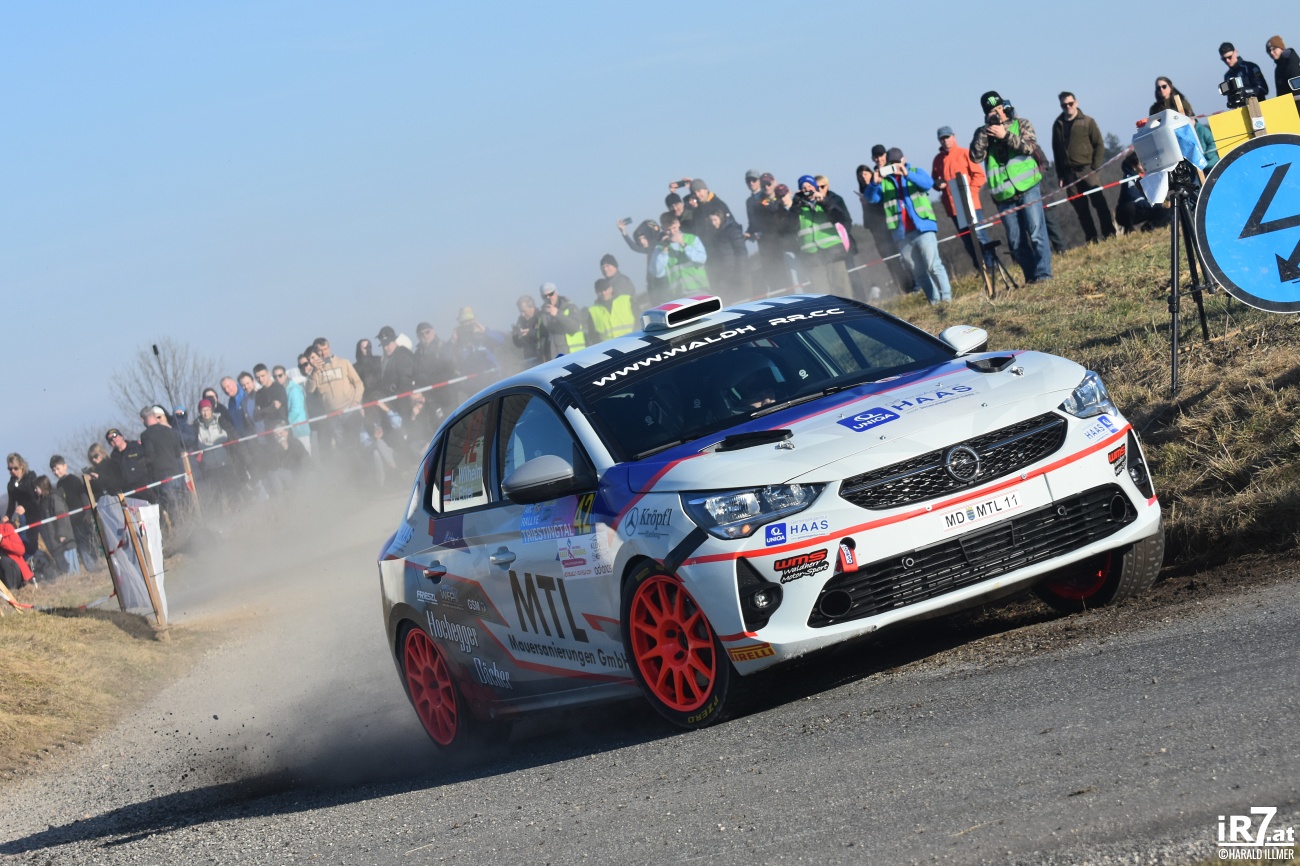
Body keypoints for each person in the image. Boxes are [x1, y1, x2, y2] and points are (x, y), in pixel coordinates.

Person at [970, 90, 1052, 283]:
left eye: (999, 107)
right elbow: (975, 157)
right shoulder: (983, 133)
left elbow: (1029, 147)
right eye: (992, 111)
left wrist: (1005, 135)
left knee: (1037, 233)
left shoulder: (1021, 123)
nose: (997, 113)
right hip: (1004, 195)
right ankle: (1031, 278)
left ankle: (1044, 275)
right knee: (1016, 242)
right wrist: (986, 133)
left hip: (1028, 187)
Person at [865, 148, 953, 304]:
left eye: (897, 162)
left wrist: (906, 174)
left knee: (933, 265)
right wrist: (874, 183)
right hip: (901, 235)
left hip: (923, 228)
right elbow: (871, 199)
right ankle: (934, 301)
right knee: (918, 272)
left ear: (903, 160)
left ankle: (946, 298)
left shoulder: (915, 172)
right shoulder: (884, 181)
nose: (895, 166)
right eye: (891, 163)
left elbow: (928, 184)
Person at [1052, 92, 1116, 244]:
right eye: (1064, 105)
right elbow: (1056, 151)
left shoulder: (1088, 122)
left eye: (1070, 103)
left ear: (1076, 102)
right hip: (1069, 174)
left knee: (1099, 203)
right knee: (1081, 210)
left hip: (1087, 170)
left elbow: (1099, 144)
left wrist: (1095, 167)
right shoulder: (1058, 125)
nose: (1068, 107)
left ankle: (1109, 234)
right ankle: (1092, 239)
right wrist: (1060, 175)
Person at [931, 126, 996, 271]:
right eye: (942, 138)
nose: (945, 141)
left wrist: (969, 194)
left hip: (972, 205)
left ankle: (992, 266)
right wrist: (937, 184)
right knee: (967, 241)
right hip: (953, 209)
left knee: (980, 236)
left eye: (947, 137)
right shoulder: (937, 160)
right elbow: (934, 181)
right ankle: (981, 269)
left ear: (954, 136)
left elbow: (979, 176)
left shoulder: (965, 153)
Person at [781, 174, 853, 296]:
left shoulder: (827, 202)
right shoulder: (798, 208)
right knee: (822, 293)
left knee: (842, 289)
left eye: (810, 186)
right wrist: (795, 205)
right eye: (803, 188)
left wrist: (824, 202)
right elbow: (788, 227)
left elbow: (840, 217)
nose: (807, 189)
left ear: (815, 187)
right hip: (812, 257)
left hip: (834, 251)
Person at [50, 456, 99, 569]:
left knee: (88, 542)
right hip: (72, 520)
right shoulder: (59, 485)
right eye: (53, 470)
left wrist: (87, 513)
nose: (56, 472)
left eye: (58, 468)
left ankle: (95, 565)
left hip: (82, 517)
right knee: (80, 544)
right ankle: (90, 567)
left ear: (65, 466)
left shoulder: (73, 479)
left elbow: (83, 495)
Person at [139, 405, 187, 522]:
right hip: (176, 472)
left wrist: (141, 463)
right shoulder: (170, 430)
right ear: (154, 416)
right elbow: (178, 453)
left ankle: (180, 529)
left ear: (142, 420)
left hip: (161, 476)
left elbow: (150, 455)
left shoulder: (146, 435)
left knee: (171, 507)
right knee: (181, 504)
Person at [193, 398, 239, 511]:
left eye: (207, 409)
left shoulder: (221, 420)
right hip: (210, 468)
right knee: (215, 496)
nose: (206, 413)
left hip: (225, 462)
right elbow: (194, 447)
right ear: (200, 412)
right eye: (203, 410)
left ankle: (238, 511)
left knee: (232, 491)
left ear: (211, 410)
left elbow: (232, 436)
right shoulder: (196, 427)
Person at [652, 213, 709, 297]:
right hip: (678, 295)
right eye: (668, 230)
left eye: (674, 228)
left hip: (698, 289)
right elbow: (657, 273)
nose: (672, 232)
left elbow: (702, 259)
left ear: (678, 224)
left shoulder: (692, 239)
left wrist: (683, 244)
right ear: (663, 229)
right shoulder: (659, 248)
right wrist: (664, 251)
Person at [32, 476, 79, 575]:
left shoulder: (54, 498)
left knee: (70, 566)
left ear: (43, 486)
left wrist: (62, 534)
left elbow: (61, 516)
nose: (35, 490)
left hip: (64, 540)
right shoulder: (41, 502)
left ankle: (75, 577)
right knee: (62, 566)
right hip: (53, 541)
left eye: (36, 487)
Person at [1114, 153, 1170, 234]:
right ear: (1134, 166)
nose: (1144, 166)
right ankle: (1129, 229)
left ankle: (1150, 227)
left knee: (1167, 209)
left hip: (1144, 208)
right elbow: (1137, 200)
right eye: (1141, 164)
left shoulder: (1145, 176)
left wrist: (1165, 202)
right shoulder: (1129, 179)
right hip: (1128, 212)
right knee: (1129, 207)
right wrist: (1158, 205)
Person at [617, 218, 669, 304]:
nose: (641, 241)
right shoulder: (649, 249)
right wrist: (623, 232)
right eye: (639, 239)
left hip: (663, 286)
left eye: (643, 238)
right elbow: (634, 247)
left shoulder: (657, 246)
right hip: (652, 287)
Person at [535, 284, 586, 361]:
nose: (548, 298)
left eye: (551, 294)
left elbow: (575, 326)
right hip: (554, 358)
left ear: (556, 293)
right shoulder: (542, 313)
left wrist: (557, 314)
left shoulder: (570, 306)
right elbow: (542, 337)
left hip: (574, 355)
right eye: (545, 296)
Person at [377, 325, 417, 420]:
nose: (385, 348)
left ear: (394, 341)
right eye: (383, 345)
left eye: (388, 344)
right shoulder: (387, 358)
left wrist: (397, 398)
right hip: (393, 401)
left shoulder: (402, 355)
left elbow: (406, 382)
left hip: (404, 403)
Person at [274, 364, 312, 454]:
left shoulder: (294, 389)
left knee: (305, 454)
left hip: (299, 428)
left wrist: (284, 423)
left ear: (285, 375)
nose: (278, 378)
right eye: (275, 376)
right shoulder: (281, 391)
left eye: (280, 375)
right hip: (290, 430)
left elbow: (296, 410)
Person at [106, 428, 152, 499]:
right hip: (129, 491)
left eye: (115, 435)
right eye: (110, 439)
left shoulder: (136, 446)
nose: (113, 439)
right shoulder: (113, 457)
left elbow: (150, 460)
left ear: (121, 436)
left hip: (145, 486)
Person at [588, 277, 636, 343]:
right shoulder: (592, 311)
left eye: (605, 289)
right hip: (610, 347)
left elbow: (639, 320)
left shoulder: (627, 301)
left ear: (611, 289)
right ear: (596, 292)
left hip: (632, 343)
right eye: (600, 291)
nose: (603, 293)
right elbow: (593, 336)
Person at [0, 519, 33, 591]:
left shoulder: (6, 528)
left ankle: (12, 591)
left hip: (15, 572)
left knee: (4, 561)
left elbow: (21, 550)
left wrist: (2, 541)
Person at [5, 453, 38, 524]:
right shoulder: (11, 485)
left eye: (15, 468)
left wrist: (25, 507)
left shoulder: (31, 477)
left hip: (37, 512)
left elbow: (37, 498)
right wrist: (7, 516)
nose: (12, 471)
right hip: (24, 517)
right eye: (10, 469)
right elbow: (11, 504)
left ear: (21, 466)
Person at [511, 296, 542, 370]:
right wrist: (516, 336)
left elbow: (547, 334)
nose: (522, 314)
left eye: (524, 311)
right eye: (520, 312)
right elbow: (519, 345)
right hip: (529, 360)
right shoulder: (521, 319)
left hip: (543, 358)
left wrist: (530, 332)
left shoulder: (542, 316)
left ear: (532, 307)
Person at [353, 339, 382, 404]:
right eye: (365, 348)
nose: (368, 350)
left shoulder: (379, 360)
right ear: (359, 350)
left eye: (369, 347)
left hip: (383, 395)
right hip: (367, 401)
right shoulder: (355, 368)